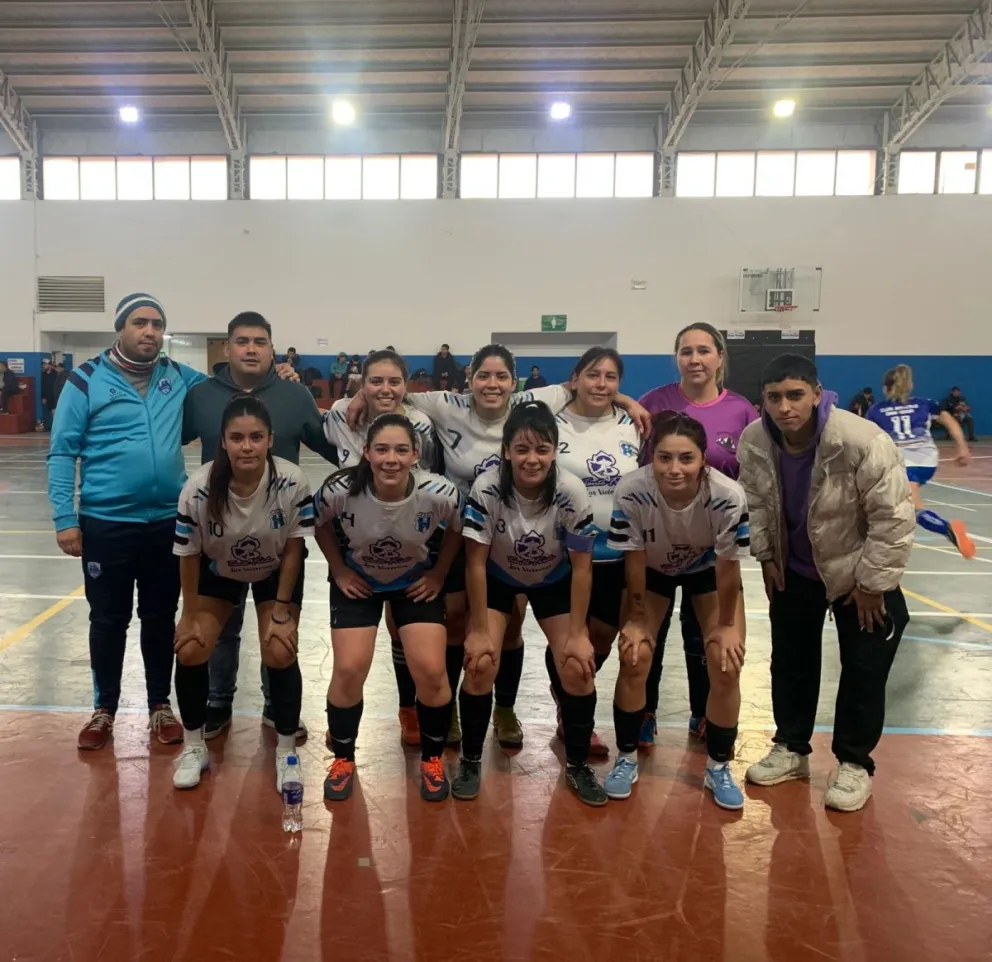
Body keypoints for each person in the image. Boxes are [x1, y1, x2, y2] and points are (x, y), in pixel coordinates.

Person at [346, 343, 651, 751]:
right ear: (469, 378)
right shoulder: (449, 403)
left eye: (501, 376)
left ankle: (505, 710)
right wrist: (359, 394)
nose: (492, 384)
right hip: (460, 534)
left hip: (519, 537)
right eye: (483, 376)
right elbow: (395, 392)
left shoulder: (531, 401)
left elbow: (580, 386)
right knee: (456, 621)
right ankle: (444, 709)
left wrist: (625, 399)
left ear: (515, 381)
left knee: (507, 630)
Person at [739, 354, 914, 813]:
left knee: (864, 667)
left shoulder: (861, 440)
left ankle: (855, 763)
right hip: (794, 570)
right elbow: (756, 501)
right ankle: (792, 749)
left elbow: (893, 518)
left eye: (795, 395)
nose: (784, 407)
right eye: (774, 397)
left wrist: (873, 584)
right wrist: (767, 554)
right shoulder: (755, 439)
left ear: (817, 394)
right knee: (791, 663)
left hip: (857, 574)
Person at [48, 293, 204, 750]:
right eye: (140, 322)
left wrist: (279, 376)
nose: (150, 332)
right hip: (106, 523)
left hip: (165, 525)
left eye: (157, 324)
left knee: (159, 617)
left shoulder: (176, 376)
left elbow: (226, 389)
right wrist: (64, 518)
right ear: (121, 328)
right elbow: (62, 453)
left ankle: (160, 705)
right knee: (108, 619)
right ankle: (104, 711)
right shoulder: (85, 381)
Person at [183, 311, 338, 740]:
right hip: (219, 538)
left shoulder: (295, 395)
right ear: (228, 348)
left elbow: (333, 449)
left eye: (259, 342)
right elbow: (163, 441)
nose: (251, 349)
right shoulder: (200, 395)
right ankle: (217, 702)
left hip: (279, 539)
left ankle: (277, 705)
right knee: (221, 630)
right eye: (242, 341)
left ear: (273, 348)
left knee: (279, 631)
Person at [457, 402, 603, 805]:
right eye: (521, 449)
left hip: (553, 580)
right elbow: (474, 563)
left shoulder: (571, 491)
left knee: (576, 668)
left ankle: (577, 764)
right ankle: (470, 759)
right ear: (506, 451)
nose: (531, 459)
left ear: (556, 451)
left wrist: (577, 634)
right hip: (499, 578)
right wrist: (480, 631)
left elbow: (583, 568)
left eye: (541, 449)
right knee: (481, 661)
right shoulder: (487, 488)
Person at [314, 414, 463, 802]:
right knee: (348, 668)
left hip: (412, 583)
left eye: (401, 450)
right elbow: (318, 525)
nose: (390, 459)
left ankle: (432, 758)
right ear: (366, 453)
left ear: (416, 454)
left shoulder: (440, 493)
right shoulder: (339, 490)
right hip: (359, 580)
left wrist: (439, 574)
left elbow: (459, 530)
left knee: (431, 670)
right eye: (381, 449)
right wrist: (340, 569)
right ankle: (343, 756)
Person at [608, 412, 749, 808]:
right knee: (635, 656)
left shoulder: (726, 495)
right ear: (652, 457)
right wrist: (636, 619)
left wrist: (725, 626)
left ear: (703, 458)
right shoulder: (632, 491)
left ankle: (719, 766)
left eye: (686, 458)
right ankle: (626, 756)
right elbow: (633, 561)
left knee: (725, 660)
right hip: (652, 571)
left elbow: (727, 568)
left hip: (707, 572)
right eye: (664, 458)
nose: (674, 469)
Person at [172, 395, 313, 790]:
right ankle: (194, 746)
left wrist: (283, 610)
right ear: (223, 441)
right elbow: (187, 554)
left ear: (270, 440)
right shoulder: (198, 488)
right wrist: (189, 614)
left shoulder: (292, 480)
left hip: (273, 572)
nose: (246, 446)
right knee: (191, 647)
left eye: (255, 437)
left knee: (280, 648)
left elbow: (294, 549)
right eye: (237, 438)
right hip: (218, 572)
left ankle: (286, 751)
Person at [636, 322, 757, 748]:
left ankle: (703, 713)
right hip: (659, 544)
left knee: (706, 638)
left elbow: (754, 477)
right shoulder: (653, 403)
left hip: (714, 551)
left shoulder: (743, 412)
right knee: (649, 636)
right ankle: (645, 712)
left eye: (704, 350)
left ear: (720, 358)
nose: (695, 359)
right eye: (686, 351)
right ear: (677, 359)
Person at [322, 349, 437, 745]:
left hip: (406, 536)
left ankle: (409, 709)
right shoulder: (340, 414)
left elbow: (430, 479)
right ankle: (341, 724)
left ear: (406, 386)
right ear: (361, 384)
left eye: (394, 382)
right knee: (352, 657)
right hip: (353, 539)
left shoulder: (420, 422)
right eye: (376, 382)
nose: (385, 389)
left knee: (401, 629)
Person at [548, 347, 641, 759]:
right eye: (592, 375)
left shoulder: (632, 424)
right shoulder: (553, 423)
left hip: (616, 551)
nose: (601, 384)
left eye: (610, 377)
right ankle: (571, 710)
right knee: (571, 636)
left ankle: (564, 691)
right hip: (564, 553)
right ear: (575, 378)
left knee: (601, 635)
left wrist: (627, 402)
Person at [865, 365, 974, 559]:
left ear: (885, 387)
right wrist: (963, 448)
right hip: (928, 461)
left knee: (914, 508)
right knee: (897, 503)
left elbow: (865, 438)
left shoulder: (877, 410)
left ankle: (948, 530)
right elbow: (950, 423)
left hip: (902, 463)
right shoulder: (925, 404)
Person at [40, 358, 58, 431]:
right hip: (46, 397)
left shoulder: (56, 374)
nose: (44, 366)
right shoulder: (43, 375)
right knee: (46, 413)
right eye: (43, 365)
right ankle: (47, 426)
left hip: (54, 397)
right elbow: (43, 386)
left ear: (50, 365)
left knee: (55, 412)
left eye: (45, 365)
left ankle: (55, 427)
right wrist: (43, 397)